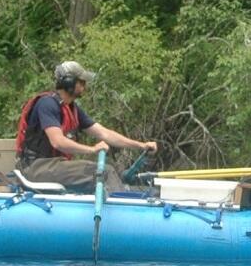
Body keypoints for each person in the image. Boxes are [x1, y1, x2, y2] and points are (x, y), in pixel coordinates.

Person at [15, 61, 157, 192]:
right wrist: (92, 149)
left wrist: (140, 145)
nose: (84, 86)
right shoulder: (47, 104)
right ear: (69, 82)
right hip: (36, 167)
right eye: (81, 82)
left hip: (55, 165)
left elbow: (104, 133)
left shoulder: (72, 109)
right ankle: (121, 212)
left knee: (113, 171)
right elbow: (57, 142)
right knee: (104, 172)